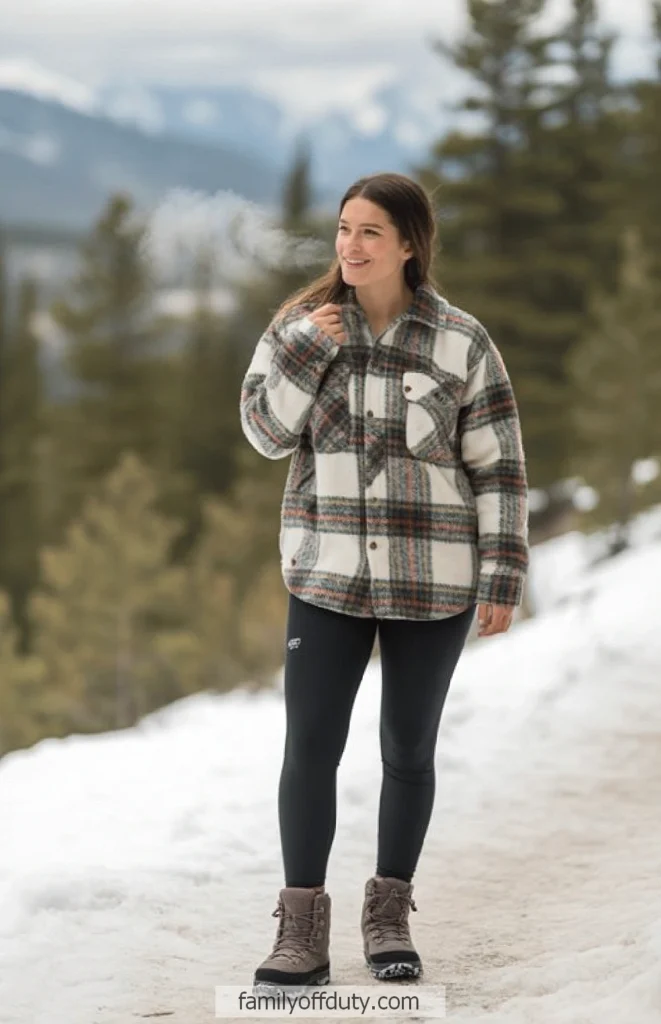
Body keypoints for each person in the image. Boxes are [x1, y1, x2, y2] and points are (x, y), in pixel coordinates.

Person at [239, 172, 529, 991]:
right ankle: (300, 931)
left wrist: (502, 573)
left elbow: (498, 469)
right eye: (342, 229)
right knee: (310, 748)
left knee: (407, 749)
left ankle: (388, 917)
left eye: (370, 232)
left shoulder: (460, 342)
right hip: (325, 575)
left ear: (409, 244)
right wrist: (306, 351)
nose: (350, 246)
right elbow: (263, 434)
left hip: (433, 579)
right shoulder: (298, 331)